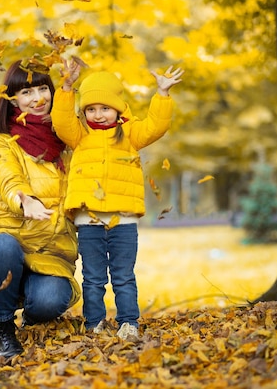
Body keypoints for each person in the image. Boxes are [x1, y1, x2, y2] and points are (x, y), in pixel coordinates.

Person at [50, 60, 183, 340]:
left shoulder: (130, 134)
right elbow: (61, 121)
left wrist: (162, 95)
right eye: (91, 109)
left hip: (123, 219)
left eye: (105, 108)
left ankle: (128, 322)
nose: (98, 115)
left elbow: (156, 126)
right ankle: (94, 322)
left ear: (118, 109)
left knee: (123, 275)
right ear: (84, 111)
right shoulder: (80, 135)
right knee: (94, 277)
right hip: (90, 219)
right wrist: (66, 87)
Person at [0, 60, 81, 360]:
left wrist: (68, 87)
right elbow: (7, 175)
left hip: (49, 252)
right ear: (12, 99)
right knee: (3, 246)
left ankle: (33, 310)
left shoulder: (69, 142)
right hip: (7, 241)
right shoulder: (3, 142)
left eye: (44, 88)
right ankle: (3, 330)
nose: (38, 98)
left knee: (50, 301)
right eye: (27, 91)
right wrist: (25, 199)